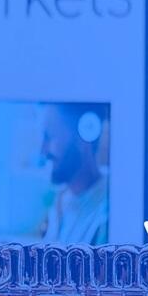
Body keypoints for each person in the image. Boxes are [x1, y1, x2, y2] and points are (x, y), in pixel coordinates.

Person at [39, 103, 109, 245]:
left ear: (84, 136)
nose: (42, 151)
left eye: (49, 137)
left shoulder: (106, 213)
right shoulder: (61, 201)